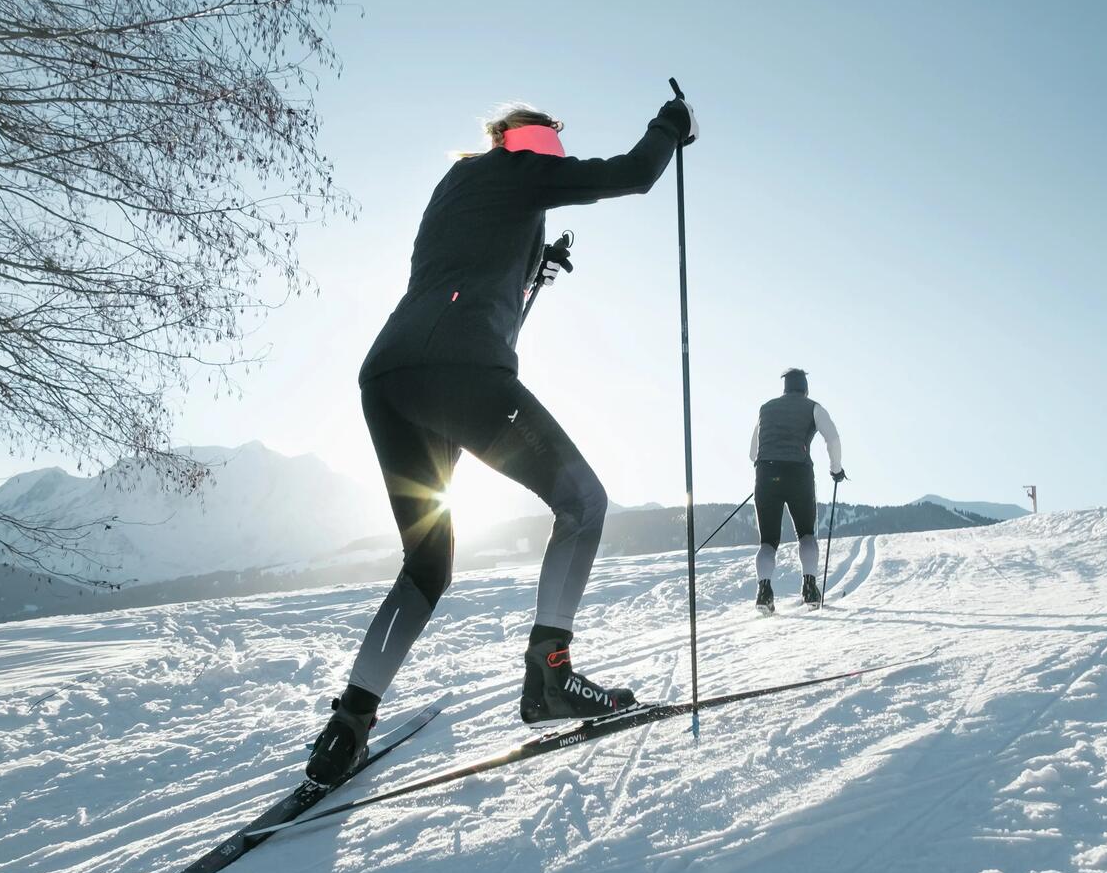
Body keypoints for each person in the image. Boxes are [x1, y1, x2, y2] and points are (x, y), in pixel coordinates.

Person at [307, 94, 697, 786]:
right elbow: (634, 173)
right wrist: (672, 124)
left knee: (427, 564)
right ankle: (551, 678)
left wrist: (533, 270)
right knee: (583, 501)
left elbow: (470, 281)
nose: (555, 142)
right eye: (550, 133)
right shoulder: (520, 167)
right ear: (519, 135)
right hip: (460, 371)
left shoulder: (456, 187)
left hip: (391, 376)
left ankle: (351, 719)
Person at [749, 368, 844, 612]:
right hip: (798, 474)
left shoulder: (765, 409)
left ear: (785, 388)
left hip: (766, 473)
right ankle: (810, 588)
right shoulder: (813, 407)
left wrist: (768, 472)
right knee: (806, 534)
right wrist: (836, 469)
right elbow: (832, 439)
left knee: (768, 541)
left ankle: (764, 591)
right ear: (805, 388)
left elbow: (753, 453)